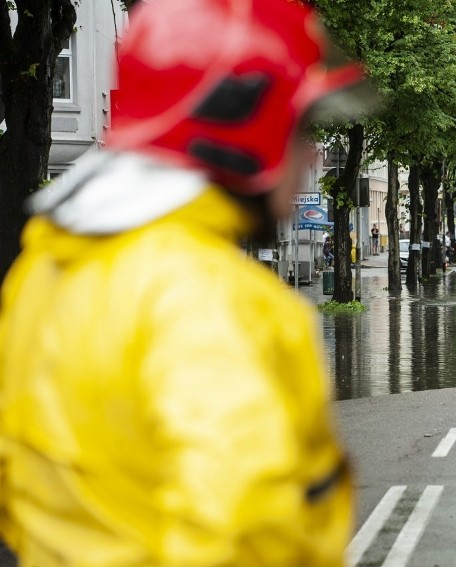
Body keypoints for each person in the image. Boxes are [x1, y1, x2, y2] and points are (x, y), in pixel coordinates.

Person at [0, 1, 372, 565]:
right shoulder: (206, 296)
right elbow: (242, 525)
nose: (315, 155)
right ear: (251, 121)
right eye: (303, 128)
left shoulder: (44, 271)